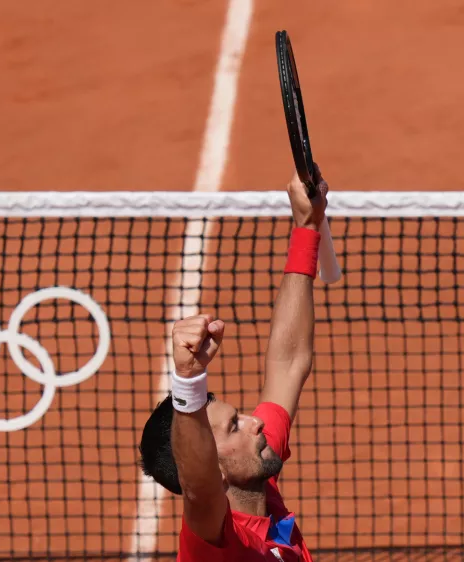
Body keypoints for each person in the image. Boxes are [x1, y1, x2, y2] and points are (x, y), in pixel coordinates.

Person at [138, 166, 329, 561]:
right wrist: (187, 379)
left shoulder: (256, 474)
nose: (255, 422)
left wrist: (306, 228)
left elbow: (289, 361)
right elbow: (198, 486)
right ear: (215, 468)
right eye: (234, 426)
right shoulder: (213, 544)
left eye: (238, 416)